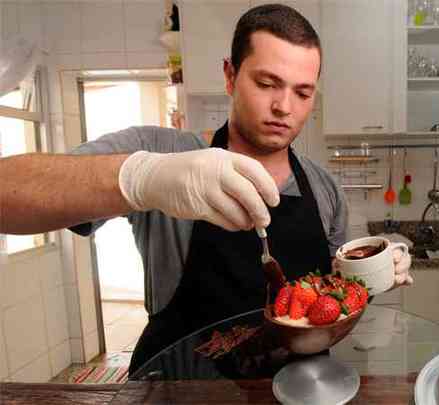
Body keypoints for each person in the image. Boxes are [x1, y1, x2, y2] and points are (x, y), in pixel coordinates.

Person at [0, 4, 412, 374]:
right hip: (184, 387)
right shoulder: (165, 152)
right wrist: (141, 179)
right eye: (267, 83)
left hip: (299, 388)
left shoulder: (323, 188)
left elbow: (330, 302)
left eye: (302, 92)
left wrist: (369, 276)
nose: (285, 107)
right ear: (230, 76)